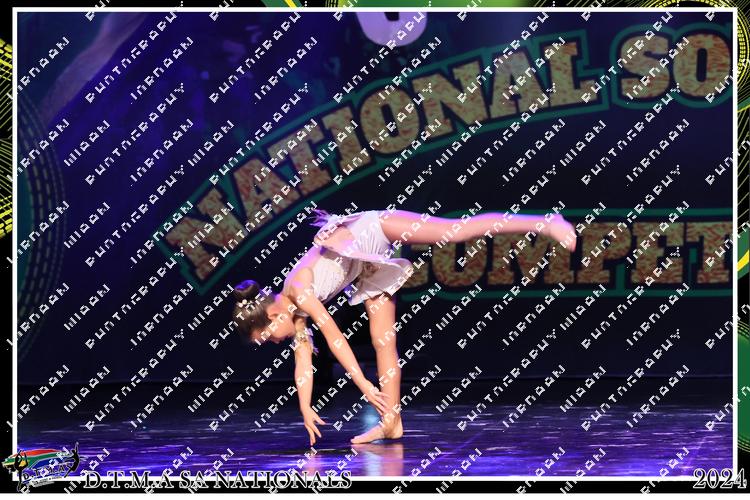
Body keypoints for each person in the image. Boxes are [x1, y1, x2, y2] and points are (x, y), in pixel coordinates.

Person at [232, 208, 577, 446]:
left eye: (267, 338)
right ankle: (391, 423)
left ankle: (544, 222)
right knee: (383, 340)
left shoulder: (299, 291)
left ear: (272, 316)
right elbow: (303, 363)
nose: (273, 342)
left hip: (370, 229)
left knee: (454, 231)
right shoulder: (293, 315)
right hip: (363, 264)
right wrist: (305, 406)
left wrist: (364, 384)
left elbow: (335, 338)